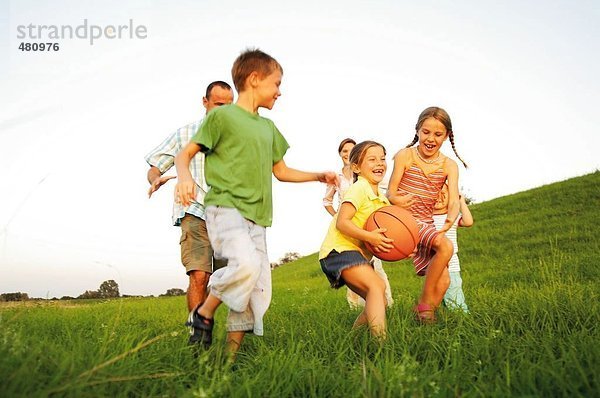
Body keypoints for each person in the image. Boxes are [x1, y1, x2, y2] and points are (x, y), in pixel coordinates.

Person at [174, 49, 337, 356]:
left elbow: (282, 171)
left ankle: (228, 362)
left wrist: (318, 176)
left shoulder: (268, 128)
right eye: (276, 83)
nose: (280, 91)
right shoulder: (222, 116)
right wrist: (183, 177)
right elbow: (185, 154)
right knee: (245, 266)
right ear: (254, 79)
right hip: (225, 208)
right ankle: (204, 312)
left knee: (255, 292)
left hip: (258, 218)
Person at [144, 81, 234, 345]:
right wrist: (154, 178)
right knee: (199, 274)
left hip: (227, 216)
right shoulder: (185, 134)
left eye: (229, 105)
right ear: (205, 102)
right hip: (193, 211)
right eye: (219, 104)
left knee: (224, 280)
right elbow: (156, 165)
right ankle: (198, 336)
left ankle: (204, 318)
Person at [387, 106, 468, 323]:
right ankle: (425, 307)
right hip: (404, 221)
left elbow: (453, 200)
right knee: (446, 247)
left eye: (438, 134)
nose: (430, 138)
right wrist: (396, 200)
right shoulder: (405, 156)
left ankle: (424, 317)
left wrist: (452, 216)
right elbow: (391, 191)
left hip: (425, 222)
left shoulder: (449, 165)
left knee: (444, 280)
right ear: (417, 131)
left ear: (447, 136)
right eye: (426, 132)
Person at [319, 141, 393, 339]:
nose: (380, 163)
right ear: (357, 168)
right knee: (377, 287)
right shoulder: (359, 188)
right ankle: (381, 346)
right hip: (338, 251)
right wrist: (370, 237)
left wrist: (403, 247)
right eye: (372, 159)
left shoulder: (382, 200)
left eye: (383, 158)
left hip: (356, 254)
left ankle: (351, 340)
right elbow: (342, 223)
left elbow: (384, 235)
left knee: (378, 298)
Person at [432, 184, 473, 312]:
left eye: (443, 193)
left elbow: (468, 221)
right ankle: (447, 320)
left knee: (455, 299)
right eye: (434, 194)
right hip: (434, 268)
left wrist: (461, 201)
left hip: (451, 267)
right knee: (439, 299)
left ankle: (462, 319)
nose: (438, 197)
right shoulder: (427, 218)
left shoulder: (451, 217)